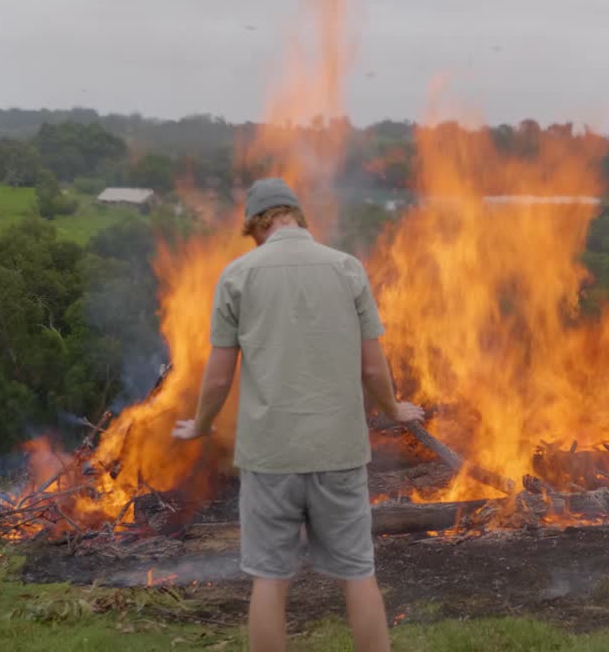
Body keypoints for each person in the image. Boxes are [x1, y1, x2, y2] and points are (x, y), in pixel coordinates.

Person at [172, 178, 424, 652]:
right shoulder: (346, 268)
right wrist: (393, 409)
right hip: (339, 450)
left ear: (255, 226)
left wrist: (200, 424)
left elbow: (220, 377)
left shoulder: (238, 275)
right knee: (358, 573)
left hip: (270, 456)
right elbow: (373, 366)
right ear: (297, 218)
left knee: (269, 579)